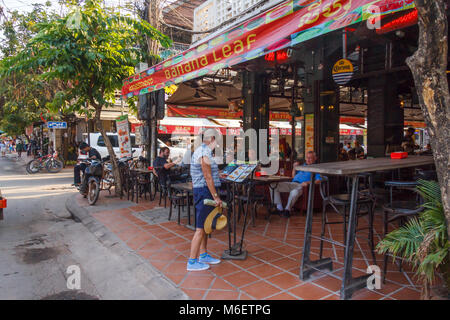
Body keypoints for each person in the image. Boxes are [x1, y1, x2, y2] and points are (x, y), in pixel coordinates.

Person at [187, 131, 222, 271]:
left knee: (205, 226)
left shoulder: (203, 150)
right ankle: (192, 261)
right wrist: (216, 196)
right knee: (200, 228)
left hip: (203, 190)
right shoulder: (203, 152)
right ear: (211, 139)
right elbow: (207, 176)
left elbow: (208, 173)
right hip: (204, 191)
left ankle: (203, 255)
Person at [270, 151, 322, 217]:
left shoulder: (316, 168)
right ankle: (279, 208)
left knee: (294, 192)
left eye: (310, 158)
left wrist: (307, 182)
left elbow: (319, 180)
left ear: (315, 158)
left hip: (301, 186)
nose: (308, 160)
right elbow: (293, 176)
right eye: (307, 158)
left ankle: (287, 210)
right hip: (293, 183)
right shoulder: (303, 166)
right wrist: (294, 168)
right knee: (273, 185)